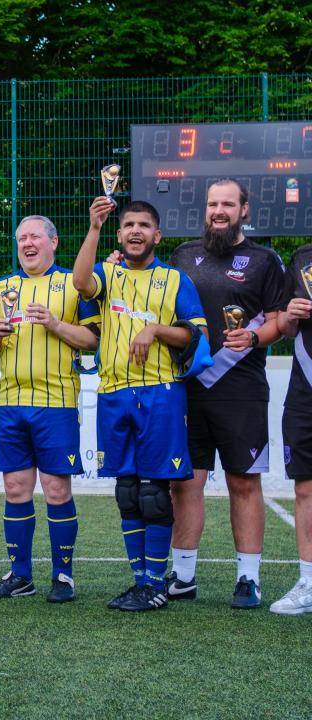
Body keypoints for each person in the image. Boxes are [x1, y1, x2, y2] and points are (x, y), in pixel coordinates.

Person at [73, 197, 207, 612]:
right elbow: (79, 284)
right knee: (127, 492)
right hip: (113, 392)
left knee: (154, 492)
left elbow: (195, 336)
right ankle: (140, 582)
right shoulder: (107, 273)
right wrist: (94, 227)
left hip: (160, 392)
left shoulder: (175, 279)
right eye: (128, 224)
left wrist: (155, 329)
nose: (135, 231)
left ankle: (155, 583)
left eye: (143, 225)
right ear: (119, 233)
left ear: (157, 235)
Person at [167, 179, 285, 608]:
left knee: (244, 482)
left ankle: (248, 579)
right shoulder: (182, 255)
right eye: (213, 204)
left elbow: (279, 321)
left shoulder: (265, 260)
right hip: (189, 388)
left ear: (244, 211)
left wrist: (254, 340)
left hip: (241, 390)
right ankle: (182, 575)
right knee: (185, 483)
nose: (219, 211)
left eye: (228, 204)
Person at [0, 215, 100, 603]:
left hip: (57, 404)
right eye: (21, 238)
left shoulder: (74, 284)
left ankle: (63, 576)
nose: (26, 243)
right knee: (15, 490)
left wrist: (55, 324)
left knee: (57, 489)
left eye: (33, 237)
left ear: (53, 242)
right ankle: (20, 575)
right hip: (11, 403)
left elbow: (92, 341)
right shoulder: (2, 288)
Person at [269, 245, 312, 614]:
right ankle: (309, 583)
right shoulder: (302, 258)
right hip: (304, 394)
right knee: (305, 489)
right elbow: (284, 327)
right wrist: (292, 317)